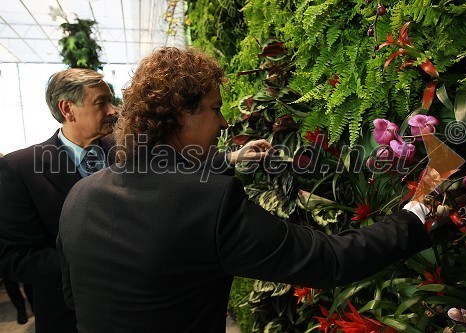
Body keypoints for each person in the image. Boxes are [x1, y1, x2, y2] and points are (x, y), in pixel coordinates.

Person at [57, 47, 431, 333]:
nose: (222, 122)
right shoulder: (211, 201)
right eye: (214, 108)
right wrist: (418, 213)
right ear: (178, 116)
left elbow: (73, 298)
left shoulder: (79, 196)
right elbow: (330, 259)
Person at [0, 68, 118, 333]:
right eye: (101, 102)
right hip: (69, 318)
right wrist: (95, 262)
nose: (113, 110)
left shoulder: (128, 152)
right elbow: (14, 257)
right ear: (67, 108)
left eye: (111, 101)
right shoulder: (21, 169)